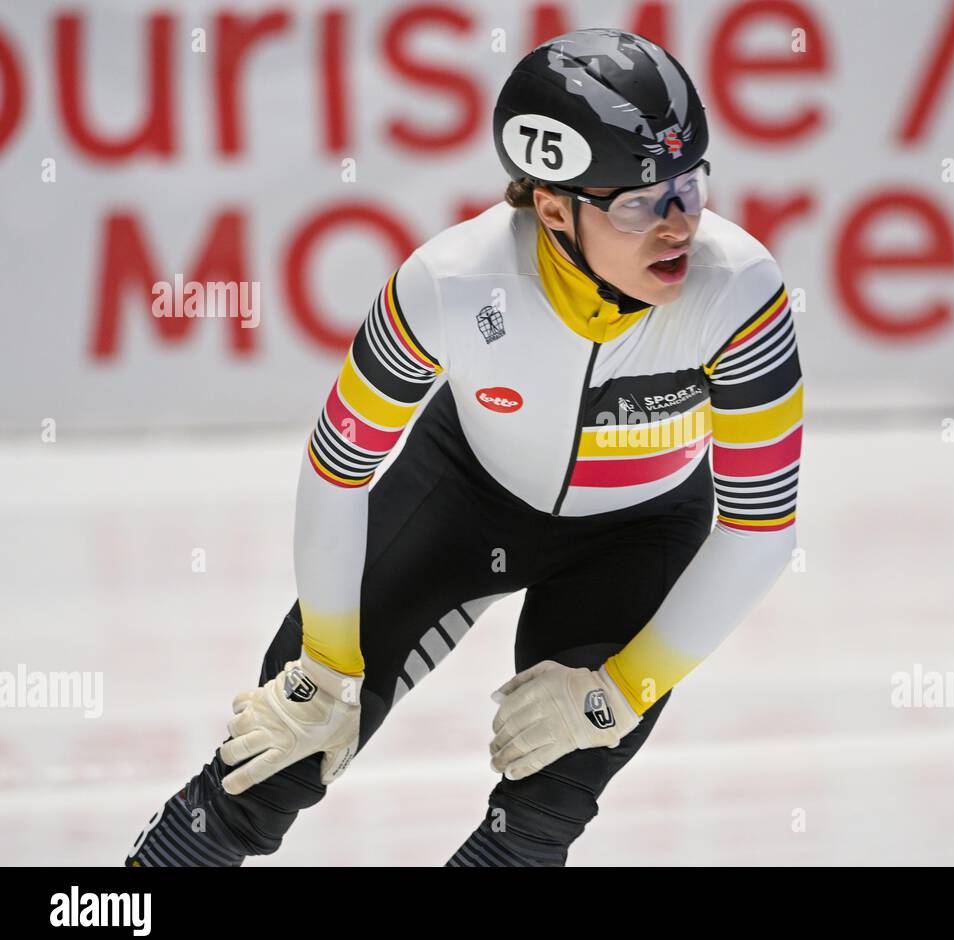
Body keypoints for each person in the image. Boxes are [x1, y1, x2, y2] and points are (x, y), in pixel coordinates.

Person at [125, 26, 803, 867]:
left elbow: (762, 527)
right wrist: (329, 663)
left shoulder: (740, 292)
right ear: (554, 208)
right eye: (639, 202)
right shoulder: (449, 282)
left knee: (540, 810)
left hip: (640, 533)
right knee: (274, 756)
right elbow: (337, 468)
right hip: (464, 493)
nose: (680, 226)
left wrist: (622, 690)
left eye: (690, 185)